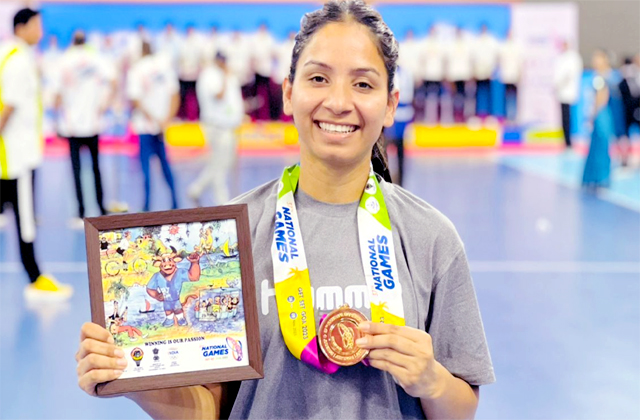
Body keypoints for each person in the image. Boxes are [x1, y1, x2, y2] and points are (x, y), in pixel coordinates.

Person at [75, 2, 495, 418]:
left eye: (363, 84)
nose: (338, 101)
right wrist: (129, 376)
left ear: (390, 104)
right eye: (318, 78)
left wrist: (432, 381)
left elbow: (458, 411)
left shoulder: (430, 237)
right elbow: (209, 411)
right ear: (289, 93)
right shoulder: (228, 236)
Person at [0, 8, 73, 301]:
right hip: (18, 156)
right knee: (26, 219)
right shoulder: (19, 60)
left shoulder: (12, 54)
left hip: (15, 151)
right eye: (36, 25)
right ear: (22, 27)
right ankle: (35, 278)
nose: (41, 31)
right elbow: (9, 106)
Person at [55, 30, 113, 227]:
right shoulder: (96, 57)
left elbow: (56, 94)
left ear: (72, 41)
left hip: (72, 125)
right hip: (93, 122)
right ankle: (101, 209)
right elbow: (113, 81)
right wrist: (104, 105)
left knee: (76, 170)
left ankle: (80, 212)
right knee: (96, 168)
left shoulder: (64, 60)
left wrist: (59, 113)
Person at [126, 40, 179, 212]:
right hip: (161, 125)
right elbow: (175, 95)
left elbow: (135, 100)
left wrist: (153, 118)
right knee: (166, 167)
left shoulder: (136, 69)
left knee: (146, 169)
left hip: (145, 126)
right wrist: (166, 119)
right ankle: (175, 203)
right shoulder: (165, 67)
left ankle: (147, 206)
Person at [188, 52, 244, 206]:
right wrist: (225, 77)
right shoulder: (209, 76)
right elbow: (219, 95)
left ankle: (196, 189)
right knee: (220, 165)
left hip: (228, 125)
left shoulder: (223, 75)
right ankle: (222, 201)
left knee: (221, 163)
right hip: (216, 126)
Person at [583, 49, 616, 189]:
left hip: (601, 114)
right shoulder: (601, 75)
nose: (595, 60)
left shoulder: (603, 76)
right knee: (596, 145)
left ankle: (601, 177)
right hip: (602, 114)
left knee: (601, 145)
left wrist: (594, 114)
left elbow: (601, 98)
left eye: (598, 57)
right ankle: (594, 177)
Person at [553, 40, 583, 148]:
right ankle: (566, 140)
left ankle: (569, 140)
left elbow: (569, 74)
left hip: (568, 92)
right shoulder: (561, 57)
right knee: (564, 117)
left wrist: (559, 83)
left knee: (569, 117)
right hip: (562, 92)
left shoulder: (573, 58)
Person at [618, 55, 640, 166]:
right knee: (625, 135)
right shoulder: (625, 79)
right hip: (626, 110)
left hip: (636, 108)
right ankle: (625, 158)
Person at [499, 30, 522, 123]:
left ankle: (513, 116)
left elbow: (520, 62)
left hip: (514, 76)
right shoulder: (503, 47)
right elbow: (500, 61)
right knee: (507, 96)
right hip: (506, 76)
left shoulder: (516, 47)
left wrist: (520, 74)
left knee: (513, 96)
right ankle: (508, 116)